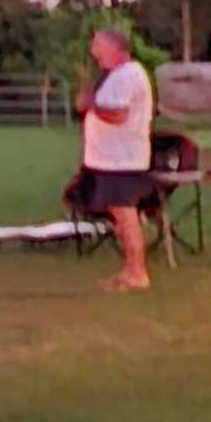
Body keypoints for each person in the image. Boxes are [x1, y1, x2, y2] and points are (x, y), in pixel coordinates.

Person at [77, 26, 157, 292]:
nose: (94, 51)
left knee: (126, 214)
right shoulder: (116, 76)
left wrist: (91, 105)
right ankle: (129, 270)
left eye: (98, 45)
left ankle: (138, 273)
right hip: (109, 159)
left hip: (123, 160)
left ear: (115, 47)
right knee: (119, 216)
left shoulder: (128, 75)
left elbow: (118, 115)